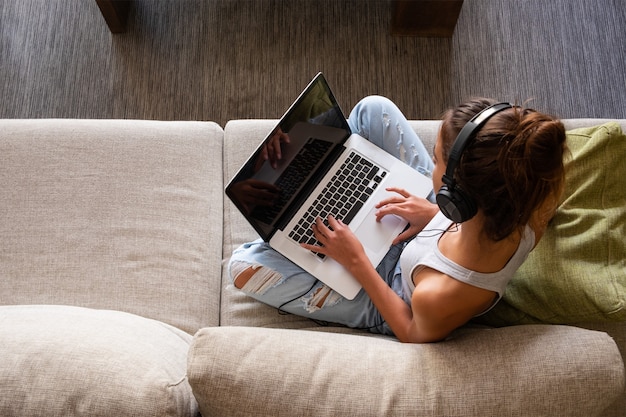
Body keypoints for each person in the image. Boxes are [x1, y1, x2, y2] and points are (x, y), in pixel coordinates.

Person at [228, 95, 567, 343]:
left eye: (436, 161)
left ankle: (287, 220)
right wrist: (435, 213)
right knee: (374, 110)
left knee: (243, 268)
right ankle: (307, 189)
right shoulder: (527, 203)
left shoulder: (440, 293)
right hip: (423, 230)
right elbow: (476, 221)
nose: (432, 164)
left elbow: (410, 331)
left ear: (458, 194)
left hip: (389, 293)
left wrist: (357, 260)